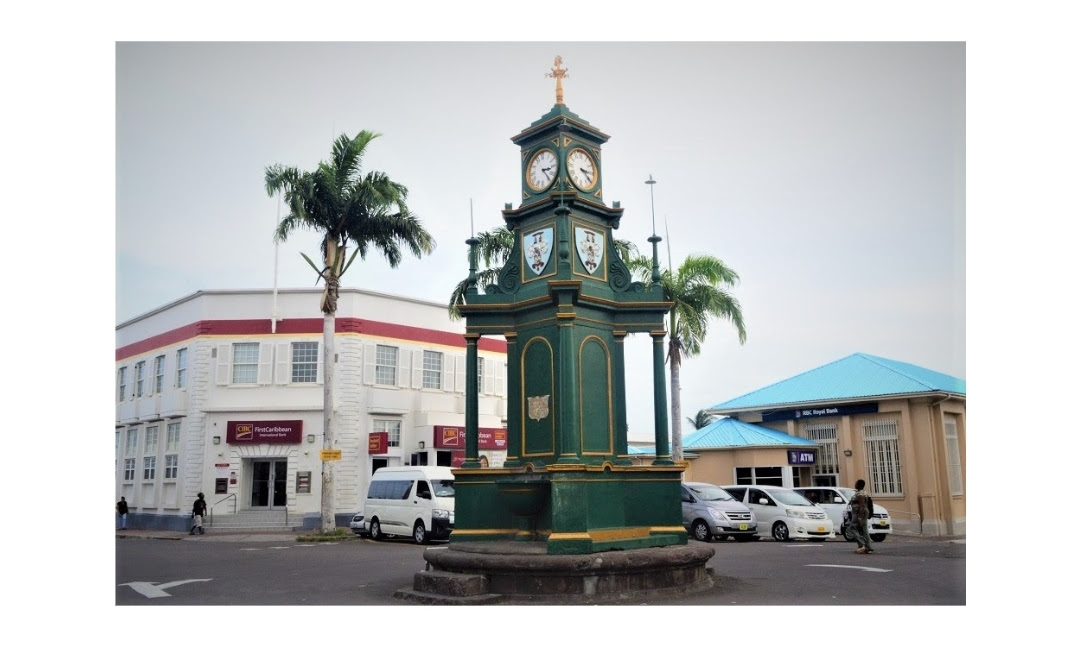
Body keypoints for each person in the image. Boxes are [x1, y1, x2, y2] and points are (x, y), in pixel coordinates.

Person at [850, 479, 874, 554]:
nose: (855, 484)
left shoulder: (861, 493)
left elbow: (862, 505)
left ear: (859, 485)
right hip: (860, 512)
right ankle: (869, 547)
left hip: (859, 512)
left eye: (856, 483)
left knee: (851, 528)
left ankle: (862, 543)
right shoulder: (860, 492)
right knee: (864, 530)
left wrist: (860, 516)